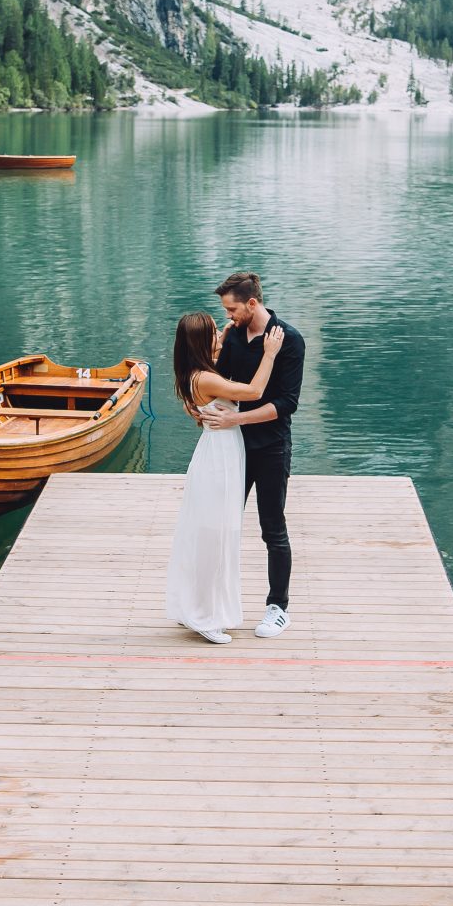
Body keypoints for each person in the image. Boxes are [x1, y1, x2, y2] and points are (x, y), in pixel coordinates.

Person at [164, 309, 287, 643]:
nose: (221, 333)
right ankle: (205, 615)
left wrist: (232, 330)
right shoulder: (205, 378)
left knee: (215, 533)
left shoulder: (197, 370)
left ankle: (200, 607)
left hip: (221, 451)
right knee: (216, 535)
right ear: (202, 340)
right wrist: (270, 353)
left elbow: (220, 358)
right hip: (219, 455)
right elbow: (255, 391)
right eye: (214, 330)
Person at [213, 271, 303, 638]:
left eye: (232, 309)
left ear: (252, 303)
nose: (229, 315)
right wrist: (218, 345)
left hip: (270, 448)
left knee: (273, 529)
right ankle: (214, 605)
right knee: (220, 525)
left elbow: (286, 403)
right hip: (231, 447)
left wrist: (238, 417)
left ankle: (277, 608)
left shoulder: (289, 340)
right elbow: (216, 381)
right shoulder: (233, 335)